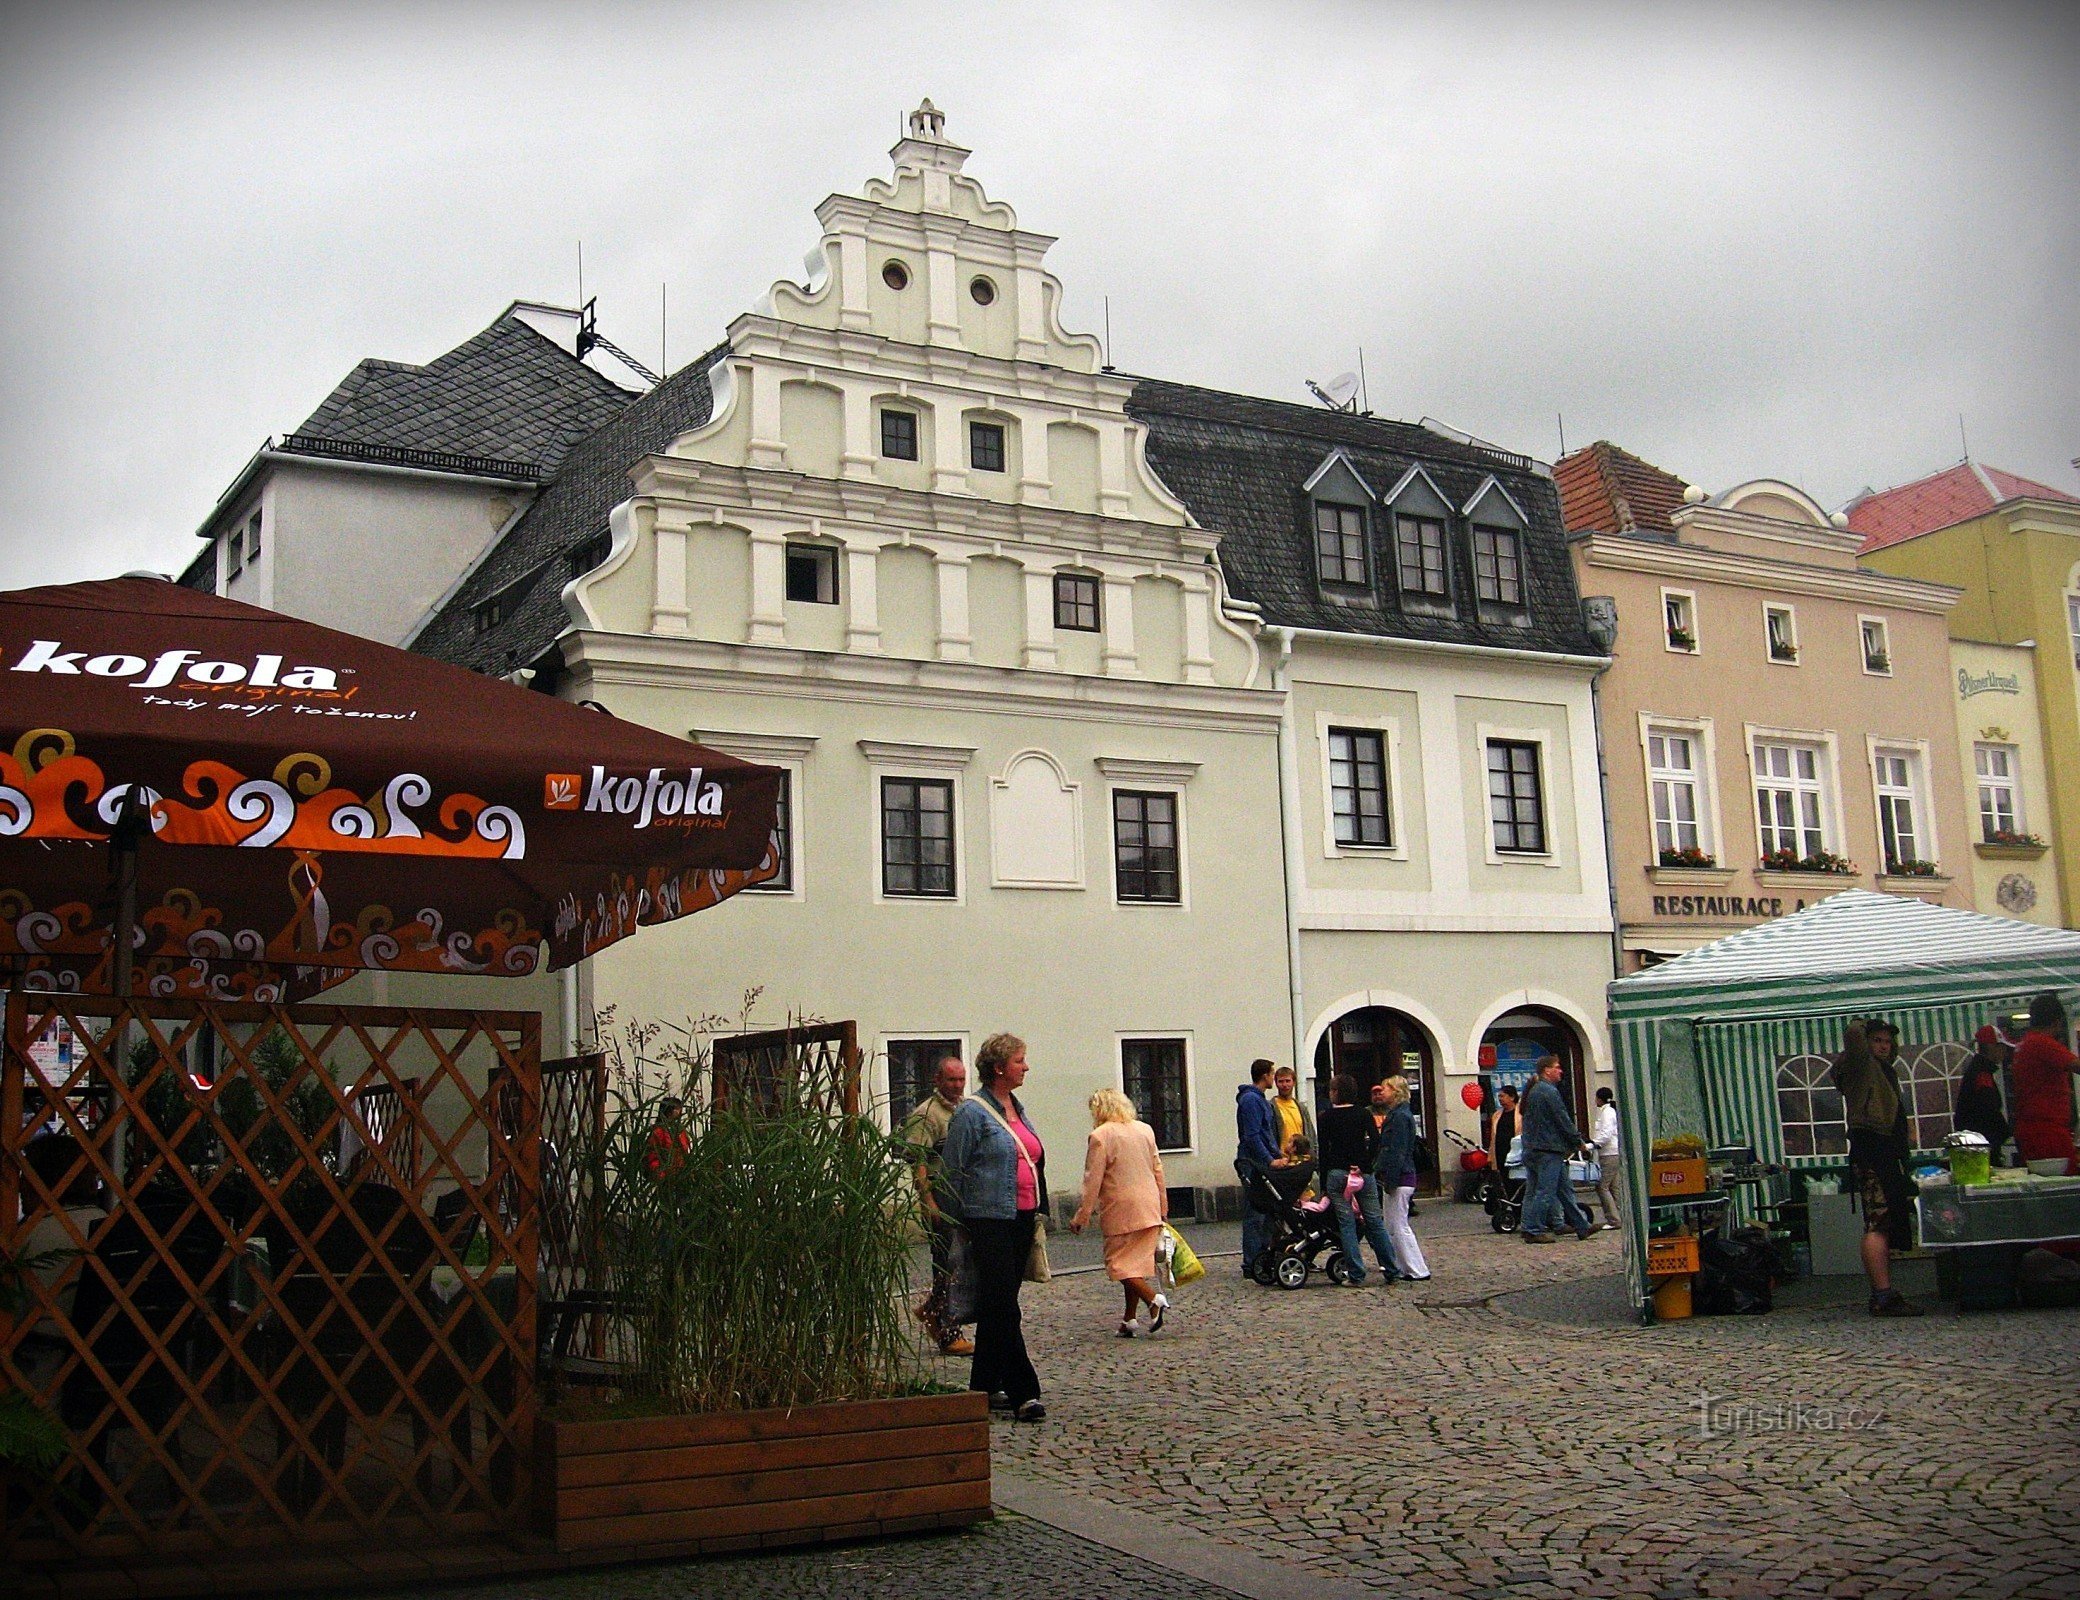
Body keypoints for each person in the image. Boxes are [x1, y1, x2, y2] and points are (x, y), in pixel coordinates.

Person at [940, 1032, 1049, 1422]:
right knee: (1004, 1306)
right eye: (1020, 1060)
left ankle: (983, 1386)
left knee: (995, 1304)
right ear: (1000, 1067)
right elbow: (950, 1171)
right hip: (988, 1219)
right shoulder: (972, 1113)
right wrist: (959, 1223)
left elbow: (1032, 1158)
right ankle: (1024, 1391)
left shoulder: (1016, 1107)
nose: (1026, 1066)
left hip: (1020, 1217)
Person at [1832, 1018, 1922, 1316]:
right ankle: (1883, 1295)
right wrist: (1863, 1023)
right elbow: (1853, 1036)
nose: (1882, 1046)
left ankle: (1883, 1292)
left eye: (1886, 1041)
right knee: (1878, 1222)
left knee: (1882, 1221)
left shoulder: (1885, 1070)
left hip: (1884, 1151)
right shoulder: (1861, 1064)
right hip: (1872, 1149)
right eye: (1877, 1040)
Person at [1069, 1089, 1170, 1337]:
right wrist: (1163, 1206)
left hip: (1120, 1208)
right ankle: (1129, 1319)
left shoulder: (1100, 1136)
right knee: (1134, 1264)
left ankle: (1153, 1300)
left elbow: (1093, 1179)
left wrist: (1083, 1214)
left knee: (1118, 1265)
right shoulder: (1144, 1129)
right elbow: (1158, 1169)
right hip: (1148, 1204)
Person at [897, 1054, 973, 1357]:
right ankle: (948, 1331)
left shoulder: (964, 1109)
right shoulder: (926, 1114)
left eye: (961, 1079)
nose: (957, 1085)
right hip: (941, 1200)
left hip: (962, 1199)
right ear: (938, 1081)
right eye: (951, 1080)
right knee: (946, 1263)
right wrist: (928, 1201)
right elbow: (918, 1162)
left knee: (960, 1263)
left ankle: (932, 1309)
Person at [1318, 1073, 1399, 1285]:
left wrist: (1324, 1180)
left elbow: (1323, 1152)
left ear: (1336, 1093)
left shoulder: (1326, 1117)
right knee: (1374, 1221)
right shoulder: (1363, 1114)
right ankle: (1391, 1267)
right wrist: (1366, 1163)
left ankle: (1356, 1273)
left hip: (1337, 1173)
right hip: (1362, 1173)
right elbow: (1376, 1141)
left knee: (1346, 1224)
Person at [1518, 1057, 1594, 1245]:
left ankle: (1581, 1225)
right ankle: (1533, 1229)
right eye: (1557, 1068)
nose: (1561, 1071)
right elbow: (1562, 1119)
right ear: (1546, 1070)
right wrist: (1578, 1142)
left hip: (1535, 1147)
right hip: (1548, 1149)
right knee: (1545, 1191)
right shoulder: (1548, 1092)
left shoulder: (1535, 1092)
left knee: (1563, 1189)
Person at [2011, 994, 2079, 1176]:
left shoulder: (2025, 1043)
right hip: (2046, 1130)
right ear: (2057, 1022)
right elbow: (2076, 1066)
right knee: (2066, 1184)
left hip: (2032, 1128)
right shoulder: (2042, 1043)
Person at [1375, 1076, 1429, 1280]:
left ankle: (1416, 1268)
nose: (1382, 1092)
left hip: (1400, 1177)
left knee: (1399, 1224)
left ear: (1396, 1092)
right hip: (1401, 1175)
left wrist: (1390, 1179)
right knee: (1394, 1224)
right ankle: (1405, 1266)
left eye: (1386, 1089)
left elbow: (1396, 1151)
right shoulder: (1400, 1114)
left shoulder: (1399, 1117)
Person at [1235, 1058, 1281, 1276]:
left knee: (1267, 1212)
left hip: (1261, 1161)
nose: (1274, 1078)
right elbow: (1253, 1135)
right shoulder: (1251, 1101)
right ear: (1265, 1076)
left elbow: (1266, 1134)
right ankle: (1252, 1262)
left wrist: (1277, 1154)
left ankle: (1263, 1256)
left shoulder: (1259, 1100)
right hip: (1254, 1164)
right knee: (1255, 1214)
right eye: (1272, 1074)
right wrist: (1269, 1158)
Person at [1954, 1025, 2013, 1157]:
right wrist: (2004, 1133)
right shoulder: (1982, 1074)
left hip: (1975, 1145)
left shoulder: (1977, 1070)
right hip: (1981, 1149)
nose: (2005, 1052)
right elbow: (1988, 1109)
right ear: (1991, 1047)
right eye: (2002, 1047)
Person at [1591, 1087, 1624, 1231]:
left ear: (1599, 1098)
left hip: (1609, 1153)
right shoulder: (1608, 1112)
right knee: (1614, 1187)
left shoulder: (1607, 1113)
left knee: (1602, 1186)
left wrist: (1593, 1144)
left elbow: (1606, 1134)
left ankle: (1613, 1219)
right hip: (1612, 1152)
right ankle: (1621, 1216)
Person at [1271, 1066, 1316, 1159]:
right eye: (1281, 1081)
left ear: (1294, 1082)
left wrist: (1314, 1156)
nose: (1284, 1085)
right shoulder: (1270, 1107)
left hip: (1302, 1160)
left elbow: (1310, 1134)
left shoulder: (1301, 1108)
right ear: (1276, 1083)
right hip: (1281, 1160)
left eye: (1288, 1081)